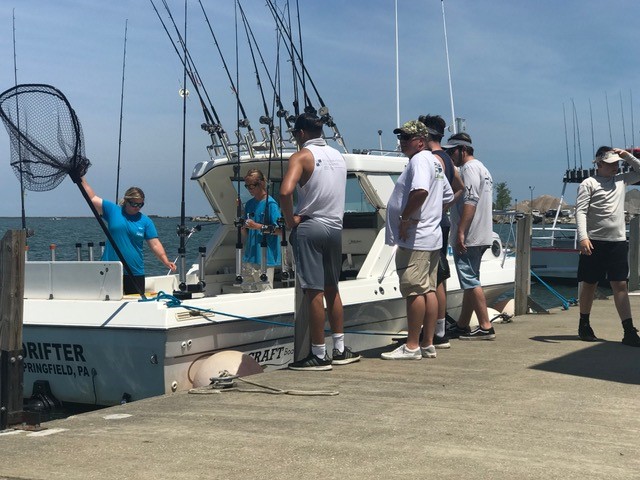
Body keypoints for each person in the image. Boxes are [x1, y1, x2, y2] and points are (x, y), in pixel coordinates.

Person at [280, 113, 361, 370]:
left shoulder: (302, 157)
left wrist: (290, 220)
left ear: (302, 133)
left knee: (313, 290)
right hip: (335, 228)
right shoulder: (338, 157)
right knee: (331, 288)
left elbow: (285, 191)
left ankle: (318, 353)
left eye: (295, 134)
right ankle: (339, 348)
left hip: (310, 225)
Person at [380, 120, 454, 360]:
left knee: (414, 291)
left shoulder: (420, 160)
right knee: (429, 290)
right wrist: (431, 215)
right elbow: (448, 196)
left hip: (416, 239)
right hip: (431, 237)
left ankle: (412, 345)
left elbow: (420, 191)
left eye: (406, 138)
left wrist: (405, 216)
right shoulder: (436, 162)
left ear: (420, 141)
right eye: (401, 138)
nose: (401, 142)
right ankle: (428, 342)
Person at [575, 146, 640, 347]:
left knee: (620, 284)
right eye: (610, 164)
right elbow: (580, 211)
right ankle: (584, 323)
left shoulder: (621, 180)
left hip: (617, 242)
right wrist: (583, 237)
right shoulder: (589, 183)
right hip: (594, 241)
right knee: (589, 283)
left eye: (616, 164)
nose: (615, 167)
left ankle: (628, 330)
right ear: (599, 164)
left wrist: (626, 156)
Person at [81, 176, 176, 294]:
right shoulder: (113, 210)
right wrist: (82, 179)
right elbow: (92, 198)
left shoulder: (146, 221)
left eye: (140, 205)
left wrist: (165, 260)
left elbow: (155, 244)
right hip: (109, 269)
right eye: (134, 204)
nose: (137, 207)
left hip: (135, 271)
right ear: (126, 201)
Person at [443, 132, 495, 340]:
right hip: (481, 233)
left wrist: (461, 232)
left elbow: (470, 200)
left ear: (462, 150)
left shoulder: (470, 168)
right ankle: (463, 324)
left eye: (452, 151)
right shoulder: (484, 169)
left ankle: (485, 325)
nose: (449, 155)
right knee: (470, 281)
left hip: (470, 235)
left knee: (470, 279)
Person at [419, 114, 464, 349]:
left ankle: (434, 331)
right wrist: (444, 206)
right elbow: (460, 187)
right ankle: (439, 328)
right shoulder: (447, 159)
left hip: (431, 225)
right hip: (442, 222)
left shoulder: (430, 159)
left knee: (432, 279)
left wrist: (435, 208)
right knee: (440, 277)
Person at [241, 168, 282, 290]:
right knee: (246, 293)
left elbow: (279, 230)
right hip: (249, 258)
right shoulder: (248, 204)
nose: (249, 189)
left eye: (252, 186)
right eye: (246, 186)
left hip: (265, 259)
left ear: (261, 183)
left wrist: (256, 226)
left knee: (265, 292)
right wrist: (242, 227)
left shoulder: (271, 204)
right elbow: (246, 235)